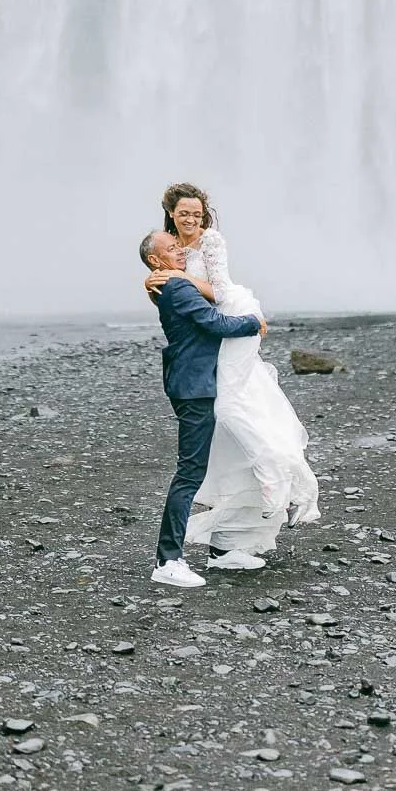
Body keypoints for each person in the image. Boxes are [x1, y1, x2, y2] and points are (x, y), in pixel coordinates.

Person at [145, 183, 320, 558]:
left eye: (197, 213)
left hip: (225, 315)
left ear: (204, 215)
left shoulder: (209, 243)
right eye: (183, 213)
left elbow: (220, 292)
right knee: (221, 432)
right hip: (203, 341)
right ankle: (225, 540)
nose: (190, 219)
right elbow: (164, 286)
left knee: (235, 406)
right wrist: (153, 280)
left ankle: (270, 483)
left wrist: (183, 279)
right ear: (171, 214)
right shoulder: (167, 247)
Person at [141, 228, 266, 589]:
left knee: (225, 464)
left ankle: (222, 549)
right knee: (190, 473)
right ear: (155, 260)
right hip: (194, 388)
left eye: (180, 246)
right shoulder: (176, 287)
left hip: (204, 385)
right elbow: (214, 324)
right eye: (171, 249)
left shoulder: (172, 282)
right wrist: (253, 323)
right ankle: (167, 560)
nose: (180, 252)